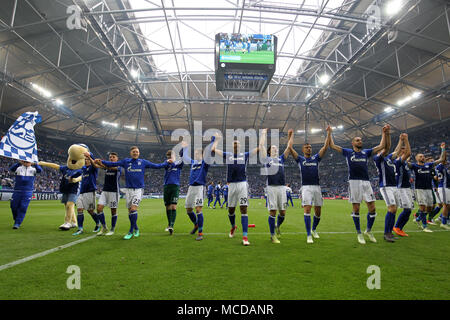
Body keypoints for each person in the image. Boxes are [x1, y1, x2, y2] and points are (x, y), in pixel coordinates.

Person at [328, 124, 390, 244]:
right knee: (356, 208)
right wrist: (330, 133)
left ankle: (368, 230)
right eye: (357, 140)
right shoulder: (348, 152)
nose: (359, 141)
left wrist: (384, 133)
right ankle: (359, 233)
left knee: (372, 208)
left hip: (366, 181)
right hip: (354, 182)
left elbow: (382, 146)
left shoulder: (366, 153)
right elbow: (332, 145)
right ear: (353, 143)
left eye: (360, 140)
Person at [95, 146, 171, 240]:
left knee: (133, 210)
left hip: (138, 190)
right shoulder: (126, 161)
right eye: (134, 152)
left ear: (139, 153)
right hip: (128, 190)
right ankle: (136, 228)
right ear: (131, 153)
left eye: (137, 152)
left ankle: (130, 231)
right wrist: (101, 161)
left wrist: (166, 162)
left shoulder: (143, 162)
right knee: (130, 212)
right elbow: (111, 163)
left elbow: (157, 166)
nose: (135, 153)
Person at [211, 129, 267, 246]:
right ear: (232, 146)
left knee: (243, 209)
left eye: (238, 143)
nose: (236, 144)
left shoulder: (245, 155)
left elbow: (259, 147)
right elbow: (213, 150)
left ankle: (245, 236)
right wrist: (216, 140)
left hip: (242, 184)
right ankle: (233, 227)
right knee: (231, 210)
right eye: (234, 143)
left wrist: (263, 134)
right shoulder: (228, 155)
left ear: (240, 146)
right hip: (231, 185)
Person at [288, 127, 331, 244]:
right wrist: (290, 136)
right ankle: (308, 235)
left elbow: (325, 147)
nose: (309, 148)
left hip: (317, 187)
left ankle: (314, 229)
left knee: (318, 212)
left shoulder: (316, 158)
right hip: (306, 187)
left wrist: (329, 133)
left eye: (310, 147)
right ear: (303, 150)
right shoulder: (300, 159)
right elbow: (290, 149)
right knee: (307, 210)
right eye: (307, 147)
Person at [180, 138, 214, 241]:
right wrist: (184, 147)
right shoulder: (193, 162)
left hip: (199, 187)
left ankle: (200, 232)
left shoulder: (204, 162)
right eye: (194, 153)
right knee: (188, 209)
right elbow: (184, 156)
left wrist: (213, 140)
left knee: (198, 209)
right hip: (191, 187)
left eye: (197, 153)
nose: (195, 155)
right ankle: (195, 225)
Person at [261, 132, 291, 244]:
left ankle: (277, 226)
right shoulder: (267, 159)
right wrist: (263, 134)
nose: (275, 149)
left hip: (282, 187)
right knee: (273, 211)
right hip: (272, 187)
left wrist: (290, 136)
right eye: (273, 148)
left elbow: (289, 148)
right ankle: (272, 235)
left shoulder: (281, 159)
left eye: (276, 148)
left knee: (283, 213)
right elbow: (261, 146)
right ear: (269, 151)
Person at [408, 143, 446, 232]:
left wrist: (443, 149)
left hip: (429, 189)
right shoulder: (415, 166)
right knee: (422, 208)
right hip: (419, 189)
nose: (423, 157)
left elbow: (441, 159)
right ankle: (424, 226)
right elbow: (405, 162)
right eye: (420, 156)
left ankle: (418, 219)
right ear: (417, 158)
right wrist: (406, 155)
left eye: (423, 156)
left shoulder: (429, 165)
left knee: (429, 208)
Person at [86, 152, 121, 236]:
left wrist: (101, 161)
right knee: (99, 208)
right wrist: (90, 158)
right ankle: (104, 227)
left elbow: (108, 166)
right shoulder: (107, 167)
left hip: (114, 191)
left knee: (113, 211)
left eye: (113, 157)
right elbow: (96, 166)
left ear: (117, 159)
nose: (111, 158)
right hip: (105, 191)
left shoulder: (118, 166)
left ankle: (112, 229)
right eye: (110, 157)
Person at [9, 161, 42, 229]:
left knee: (23, 207)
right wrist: (19, 163)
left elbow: (40, 170)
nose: (27, 163)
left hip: (28, 191)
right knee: (13, 206)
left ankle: (17, 223)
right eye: (25, 161)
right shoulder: (18, 168)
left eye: (28, 161)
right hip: (17, 190)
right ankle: (16, 219)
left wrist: (35, 164)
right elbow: (12, 169)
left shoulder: (33, 170)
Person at [392, 137, 413, 237]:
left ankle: (399, 228)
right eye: (402, 149)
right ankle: (397, 227)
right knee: (407, 209)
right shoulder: (398, 161)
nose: (404, 151)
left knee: (409, 210)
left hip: (407, 188)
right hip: (401, 188)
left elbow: (408, 155)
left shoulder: (404, 162)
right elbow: (408, 153)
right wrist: (406, 140)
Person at [73, 155, 99, 235]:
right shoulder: (83, 169)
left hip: (90, 191)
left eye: (88, 159)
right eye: (85, 159)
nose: (86, 161)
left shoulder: (93, 168)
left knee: (90, 211)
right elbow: (76, 173)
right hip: (81, 192)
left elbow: (95, 165)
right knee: (79, 209)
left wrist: (90, 158)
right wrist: (71, 177)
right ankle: (80, 228)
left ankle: (98, 223)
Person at [162, 149, 184, 235]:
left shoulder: (178, 164)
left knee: (173, 207)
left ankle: (171, 225)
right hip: (166, 186)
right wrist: (168, 162)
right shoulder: (166, 164)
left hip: (175, 186)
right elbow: (161, 165)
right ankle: (169, 224)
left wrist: (183, 149)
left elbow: (182, 160)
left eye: (171, 156)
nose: (170, 158)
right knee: (167, 207)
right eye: (168, 157)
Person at [434, 153, 450, 230]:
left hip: (445, 187)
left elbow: (436, 177)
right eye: (445, 160)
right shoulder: (441, 166)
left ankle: (443, 219)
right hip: (443, 187)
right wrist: (443, 150)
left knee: (448, 205)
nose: (446, 161)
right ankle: (443, 222)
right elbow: (443, 158)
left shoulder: (439, 167)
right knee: (445, 205)